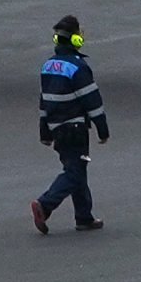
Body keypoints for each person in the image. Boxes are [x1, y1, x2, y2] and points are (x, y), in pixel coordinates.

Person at [33, 15, 108, 234]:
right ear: (75, 39)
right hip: (75, 129)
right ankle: (44, 205)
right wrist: (102, 129)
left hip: (57, 129)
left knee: (77, 168)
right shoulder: (78, 67)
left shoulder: (48, 66)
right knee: (74, 173)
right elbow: (91, 99)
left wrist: (44, 130)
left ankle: (84, 217)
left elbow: (43, 100)